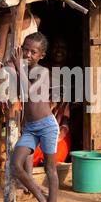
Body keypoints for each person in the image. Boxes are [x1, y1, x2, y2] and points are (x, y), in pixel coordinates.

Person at [0, 7, 40, 198]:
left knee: (30, 128)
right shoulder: (6, 21)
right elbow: (0, 51)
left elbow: (37, 51)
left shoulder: (36, 20)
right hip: (9, 77)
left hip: (28, 78)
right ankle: (16, 179)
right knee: (13, 127)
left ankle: (28, 179)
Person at [8, 32, 59, 202]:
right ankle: (41, 198)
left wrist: (18, 68)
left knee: (50, 170)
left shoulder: (43, 72)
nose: (28, 55)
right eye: (25, 50)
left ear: (41, 55)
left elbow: (29, 92)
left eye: (33, 52)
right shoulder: (21, 70)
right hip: (30, 127)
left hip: (46, 126)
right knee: (15, 164)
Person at [34, 38, 71, 166]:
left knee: (59, 150)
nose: (59, 50)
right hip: (39, 128)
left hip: (57, 127)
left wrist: (62, 131)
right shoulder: (40, 71)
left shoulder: (71, 76)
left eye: (63, 47)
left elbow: (66, 115)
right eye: (56, 46)